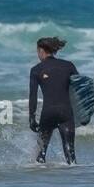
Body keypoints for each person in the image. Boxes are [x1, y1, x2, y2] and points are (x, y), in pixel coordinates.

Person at [29, 36, 78, 165]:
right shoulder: (69, 66)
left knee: (41, 153)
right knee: (70, 152)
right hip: (66, 112)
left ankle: (41, 181)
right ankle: (76, 181)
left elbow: (33, 96)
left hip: (48, 113)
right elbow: (78, 88)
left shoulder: (36, 70)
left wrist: (32, 118)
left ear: (41, 50)